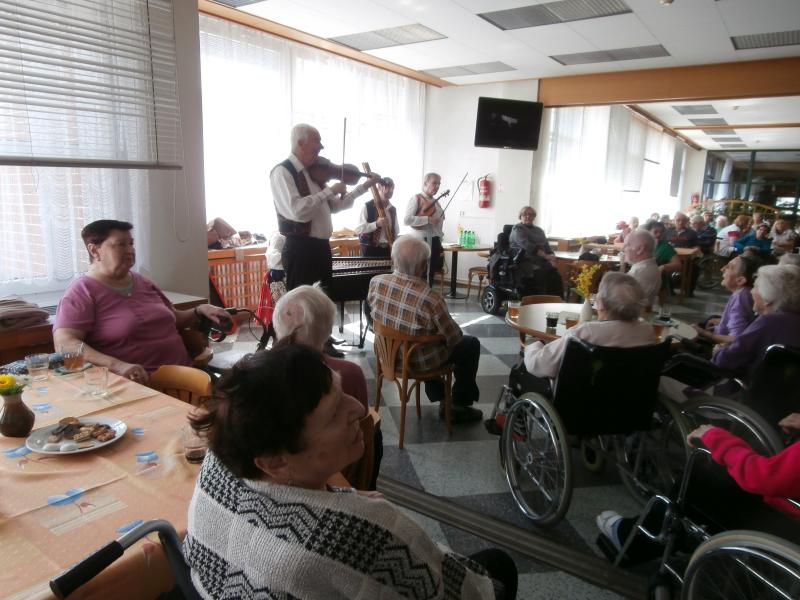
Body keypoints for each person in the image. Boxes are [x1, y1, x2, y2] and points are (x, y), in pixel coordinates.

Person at [184, 344, 517, 599]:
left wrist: (346, 497)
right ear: (275, 463)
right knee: (500, 565)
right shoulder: (358, 533)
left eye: (341, 391)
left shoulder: (217, 461)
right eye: (333, 415)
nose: (359, 409)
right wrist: (357, 512)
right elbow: (449, 589)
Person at [597, 413, 800, 559]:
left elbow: (764, 477)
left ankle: (636, 540)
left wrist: (716, 438)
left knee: (700, 478)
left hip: (784, 522)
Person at [54, 220, 230, 384]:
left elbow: (175, 318)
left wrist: (200, 309)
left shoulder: (143, 282)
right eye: (121, 244)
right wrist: (118, 365)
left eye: (131, 243)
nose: (130, 250)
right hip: (136, 385)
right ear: (94, 251)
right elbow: (65, 343)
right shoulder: (81, 292)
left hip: (185, 380)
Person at [272, 284, 381, 489]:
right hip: (339, 469)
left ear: (276, 325)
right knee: (374, 429)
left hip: (283, 475)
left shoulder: (261, 376)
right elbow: (361, 420)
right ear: (328, 330)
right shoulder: (349, 373)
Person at [367, 235, 483, 423]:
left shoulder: (376, 282)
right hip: (419, 362)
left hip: (387, 357)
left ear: (393, 259)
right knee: (470, 345)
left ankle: (442, 397)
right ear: (423, 266)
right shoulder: (431, 298)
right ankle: (458, 405)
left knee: (424, 338)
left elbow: (373, 313)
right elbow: (454, 337)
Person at [271, 123, 379, 291]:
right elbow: (297, 211)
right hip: (301, 250)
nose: (321, 147)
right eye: (317, 141)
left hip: (321, 248)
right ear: (301, 143)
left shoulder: (314, 174)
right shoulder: (282, 171)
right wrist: (330, 191)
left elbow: (336, 206)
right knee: (304, 303)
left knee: (323, 300)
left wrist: (365, 186)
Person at [523, 272, 656, 382]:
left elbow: (539, 365)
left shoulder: (586, 332)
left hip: (579, 399)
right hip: (629, 398)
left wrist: (533, 345)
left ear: (601, 305)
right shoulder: (647, 330)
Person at [713, 264, 800, 379]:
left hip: (749, 385)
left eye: (755, 287)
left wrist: (719, 352)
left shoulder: (768, 322)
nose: (751, 291)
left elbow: (725, 361)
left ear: (767, 299)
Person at [693, 255, 758, 345]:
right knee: (710, 319)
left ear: (740, 280)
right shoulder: (745, 292)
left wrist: (702, 332)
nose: (722, 269)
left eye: (729, 267)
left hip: (721, 347)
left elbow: (735, 339)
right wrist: (722, 321)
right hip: (719, 333)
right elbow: (742, 321)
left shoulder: (741, 297)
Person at [509, 206, 563, 297]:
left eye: (530, 215)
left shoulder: (539, 230)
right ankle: (542, 300)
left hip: (542, 260)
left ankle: (557, 301)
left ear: (534, 217)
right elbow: (528, 246)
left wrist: (552, 258)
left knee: (556, 276)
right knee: (542, 274)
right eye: (525, 214)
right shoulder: (517, 229)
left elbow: (547, 247)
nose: (528, 216)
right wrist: (547, 257)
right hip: (524, 261)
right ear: (520, 216)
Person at [404, 172, 445, 286]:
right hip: (421, 241)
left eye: (439, 184)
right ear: (425, 183)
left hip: (435, 240)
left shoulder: (437, 203)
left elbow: (438, 225)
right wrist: (428, 219)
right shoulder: (416, 198)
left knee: (430, 273)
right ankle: (417, 295)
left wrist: (440, 238)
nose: (437, 186)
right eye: (434, 183)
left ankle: (427, 294)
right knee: (421, 272)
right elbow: (407, 220)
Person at [355, 177, 399, 258]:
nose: (391, 190)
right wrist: (376, 224)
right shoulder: (368, 206)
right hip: (369, 250)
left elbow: (396, 231)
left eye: (392, 188)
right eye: (387, 187)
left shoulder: (393, 209)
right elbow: (358, 229)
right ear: (379, 187)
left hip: (387, 250)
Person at [623, 229, 661, 310]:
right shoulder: (644, 266)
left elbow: (624, 303)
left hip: (630, 315)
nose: (624, 249)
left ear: (640, 249)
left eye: (627, 245)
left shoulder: (641, 272)